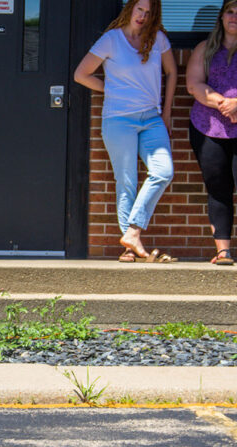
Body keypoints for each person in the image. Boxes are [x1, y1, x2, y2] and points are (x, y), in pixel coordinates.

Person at [74, 0, 177, 263]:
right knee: (127, 182)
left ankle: (132, 232)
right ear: (130, 8)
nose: (143, 16)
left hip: (151, 119)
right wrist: (111, 89)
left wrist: (166, 114)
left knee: (163, 171)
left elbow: (172, 72)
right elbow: (81, 74)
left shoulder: (158, 39)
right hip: (118, 120)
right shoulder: (111, 40)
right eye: (139, 9)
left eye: (149, 12)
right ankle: (129, 248)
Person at [187, 0, 237, 265]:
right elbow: (194, 84)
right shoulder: (205, 49)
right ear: (221, 17)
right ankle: (223, 251)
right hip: (209, 129)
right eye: (230, 11)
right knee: (218, 188)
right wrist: (224, 103)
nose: (234, 17)